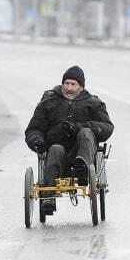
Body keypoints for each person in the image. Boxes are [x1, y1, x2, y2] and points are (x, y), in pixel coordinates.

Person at [25, 66, 114, 213]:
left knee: (86, 132)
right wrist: (37, 141)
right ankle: (48, 199)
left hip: (83, 153)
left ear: (81, 86)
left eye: (73, 84)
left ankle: (82, 167)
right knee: (55, 149)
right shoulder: (49, 102)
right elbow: (34, 128)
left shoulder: (93, 103)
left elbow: (107, 127)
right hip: (57, 153)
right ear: (62, 84)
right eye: (66, 83)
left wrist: (77, 127)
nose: (69, 88)